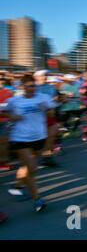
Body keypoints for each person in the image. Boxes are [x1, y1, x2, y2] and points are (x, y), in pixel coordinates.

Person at [5, 74, 56, 212]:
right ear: (22, 87)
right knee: (32, 168)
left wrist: (47, 109)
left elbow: (51, 115)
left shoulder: (43, 98)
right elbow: (6, 112)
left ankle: (16, 187)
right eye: (27, 86)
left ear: (36, 86)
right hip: (21, 138)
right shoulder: (14, 101)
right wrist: (13, 117)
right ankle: (37, 200)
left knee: (27, 166)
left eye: (33, 86)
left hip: (39, 137)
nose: (31, 89)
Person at [0, 78, 14, 171]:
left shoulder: (8, 92)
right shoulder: (8, 92)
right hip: (4, 120)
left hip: (4, 121)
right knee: (3, 143)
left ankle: (3, 163)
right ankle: (3, 163)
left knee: (3, 143)